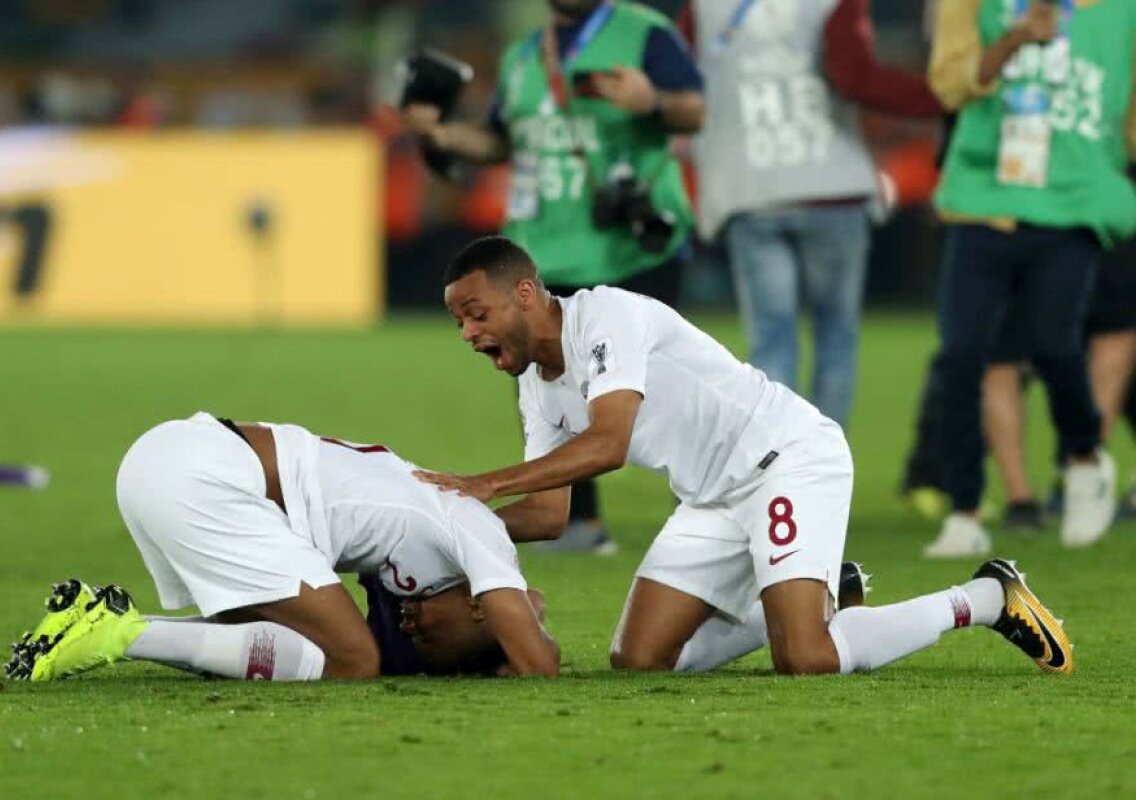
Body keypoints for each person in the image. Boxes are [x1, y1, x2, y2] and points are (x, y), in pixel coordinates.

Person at [416, 236, 1073, 676]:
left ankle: (987, 596)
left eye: (476, 314)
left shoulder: (605, 318)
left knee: (806, 659)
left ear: (525, 293)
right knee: (639, 661)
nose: (470, 334)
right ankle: (819, 591)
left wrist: (485, 482)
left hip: (785, 458)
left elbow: (608, 444)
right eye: (459, 324)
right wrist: (446, 524)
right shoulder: (537, 384)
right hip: (711, 497)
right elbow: (550, 515)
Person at [402, 0, 705, 553]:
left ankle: (703, 514)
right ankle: (578, 522)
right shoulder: (524, 55)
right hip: (546, 248)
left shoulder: (646, 35)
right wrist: (442, 134)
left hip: (632, 246)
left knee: (663, 393)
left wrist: (652, 101)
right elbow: (498, 141)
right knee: (551, 390)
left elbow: (694, 111)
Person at [4, 412, 559, 682]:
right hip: (207, 473)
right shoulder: (477, 532)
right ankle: (121, 631)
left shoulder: (423, 554)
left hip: (169, 457)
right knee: (352, 659)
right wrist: (518, 637)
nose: (409, 619)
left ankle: (89, 621)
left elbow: (403, 649)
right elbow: (539, 663)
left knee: (287, 642)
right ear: (479, 603)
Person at [921, 0, 1136, 557]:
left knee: (1054, 347)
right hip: (982, 200)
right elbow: (950, 86)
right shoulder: (973, 4)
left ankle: (1085, 459)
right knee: (961, 355)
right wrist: (1013, 40)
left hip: (1072, 203)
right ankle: (965, 510)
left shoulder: (1121, 13)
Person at [679, 0, 944, 428]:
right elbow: (853, 76)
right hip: (831, 185)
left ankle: (776, 464)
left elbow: (678, 78)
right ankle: (822, 468)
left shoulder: (706, 7)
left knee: (771, 339)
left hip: (751, 189)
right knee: (835, 337)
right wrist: (941, 97)